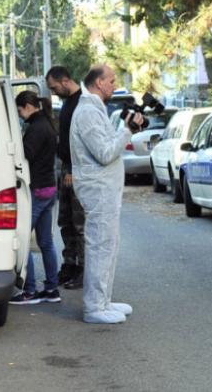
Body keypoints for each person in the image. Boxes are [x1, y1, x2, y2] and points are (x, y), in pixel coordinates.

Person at [70, 65, 144, 324]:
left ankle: (103, 301)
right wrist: (127, 131)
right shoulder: (87, 112)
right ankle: (94, 307)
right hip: (98, 189)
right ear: (99, 82)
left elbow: (106, 145)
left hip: (105, 190)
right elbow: (104, 153)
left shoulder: (94, 108)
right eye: (112, 81)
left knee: (108, 245)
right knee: (100, 247)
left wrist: (125, 130)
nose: (115, 85)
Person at [10, 90, 61, 305]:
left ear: (28, 107)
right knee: (46, 242)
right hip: (49, 188)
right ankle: (51, 289)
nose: (20, 116)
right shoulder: (47, 123)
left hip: (38, 190)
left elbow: (25, 158)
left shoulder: (35, 129)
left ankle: (29, 289)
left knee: (22, 240)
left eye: (20, 111)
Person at [46, 66, 87, 290]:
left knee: (79, 224)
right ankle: (69, 264)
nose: (53, 92)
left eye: (54, 88)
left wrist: (71, 168)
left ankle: (83, 269)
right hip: (66, 169)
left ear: (65, 80)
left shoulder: (82, 102)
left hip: (75, 171)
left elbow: (79, 142)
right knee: (66, 221)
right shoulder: (68, 103)